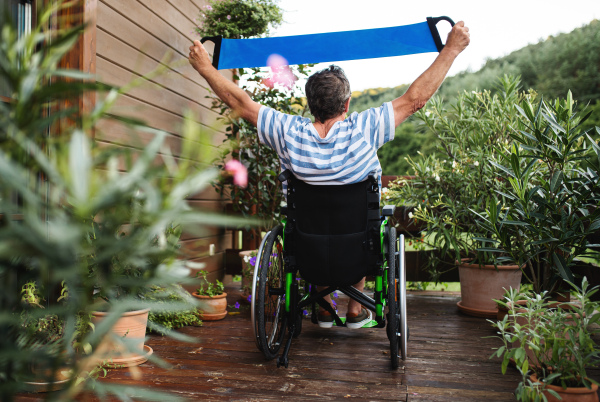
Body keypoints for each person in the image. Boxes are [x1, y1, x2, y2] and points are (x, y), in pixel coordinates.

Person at [189, 21, 470, 328]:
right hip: (358, 250)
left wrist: (205, 67)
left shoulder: (287, 132)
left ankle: (323, 309)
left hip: (308, 250)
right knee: (362, 228)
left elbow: (239, 103)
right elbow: (415, 99)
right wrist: (452, 49)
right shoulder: (365, 128)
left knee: (320, 226)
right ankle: (354, 311)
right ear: (347, 104)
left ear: (311, 105)